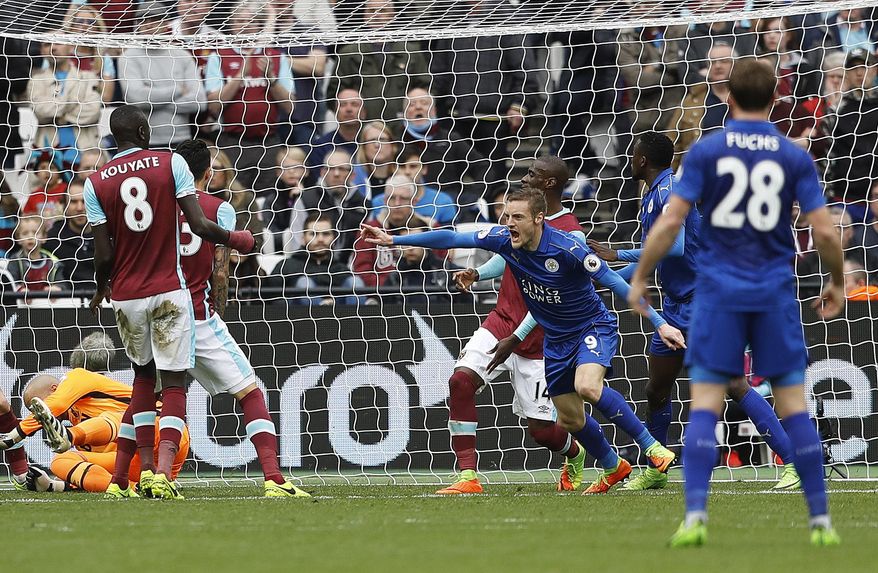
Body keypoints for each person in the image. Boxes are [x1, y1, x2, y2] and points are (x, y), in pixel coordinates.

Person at [627, 58, 844, 547]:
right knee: (792, 402)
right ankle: (820, 522)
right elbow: (826, 230)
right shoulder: (793, 155)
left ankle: (696, 516)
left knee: (706, 402)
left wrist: (639, 276)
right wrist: (834, 279)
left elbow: (670, 226)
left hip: (719, 292)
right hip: (772, 290)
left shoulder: (706, 151)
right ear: (774, 100)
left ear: (728, 99)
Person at [363, 188, 685, 495]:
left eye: (517, 217)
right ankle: (614, 466)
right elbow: (450, 236)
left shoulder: (568, 248)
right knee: (569, 419)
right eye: (506, 216)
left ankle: (653, 448)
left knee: (588, 386)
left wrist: (660, 324)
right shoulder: (505, 241)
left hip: (590, 326)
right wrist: (394, 238)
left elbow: (616, 282)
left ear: (538, 219)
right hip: (554, 338)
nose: (508, 224)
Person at [588, 132, 801, 491]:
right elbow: (652, 258)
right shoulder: (653, 194)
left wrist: (616, 255)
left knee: (732, 384)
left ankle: (794, 461)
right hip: (674, 305)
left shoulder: (671, 190)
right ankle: (657, 467)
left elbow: (673, 247)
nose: (630, 159)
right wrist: (603, 277)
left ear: (642, 160)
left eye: (634, 153)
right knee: (657, 388)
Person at [83, 105, 255, 499]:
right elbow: (198, 225)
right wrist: (240, 240)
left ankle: (137, 474)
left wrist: (100, 287)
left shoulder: (95, 182)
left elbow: (103, 253)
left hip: (124, 296)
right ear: (144, 131)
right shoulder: (170, 163)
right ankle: (162, 473)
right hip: (168, 291)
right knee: (173, 383)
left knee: (143, 378)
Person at [431, 157, 592, 495]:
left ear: (549, 184)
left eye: (534, 173)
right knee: (460, 381)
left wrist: (517, 336)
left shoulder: (570, 232)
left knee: (542, 431)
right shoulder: (519, 216)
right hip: (501, 319)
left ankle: (575, 454)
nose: (526, 176)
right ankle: (467, 477)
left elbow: (554, 294)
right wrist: (477, 274)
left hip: (541, 338)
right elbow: (505, 253)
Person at [173, 139, 308, 497]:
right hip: (199, 315)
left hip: (158, 313)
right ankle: (274, 479)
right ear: (208, 173)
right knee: (250, 391)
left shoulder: (157, 207)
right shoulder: (219, 208)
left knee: (154, 394)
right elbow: (220, 269)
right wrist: (218, 308)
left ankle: (139, 478)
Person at [0, 333, 190, 494]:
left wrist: (12, 437)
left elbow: (55, 404)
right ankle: (134, 488)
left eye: (37, 406)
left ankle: (70, 437)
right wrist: (52, 486)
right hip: (137, 464)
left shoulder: (77, 377)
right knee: (60, 461)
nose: (38, 416)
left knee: (119, 419)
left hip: (162, 432)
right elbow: (92, 478)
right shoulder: (80, 427)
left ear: (55, 387)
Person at [205, 0, 294, 193]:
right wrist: (239, 77)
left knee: (269, 197)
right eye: (239, 21)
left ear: (259, 26)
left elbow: (290, 106)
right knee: (235, 197)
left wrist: (270, 79)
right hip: (232, 142)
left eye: (251, 22)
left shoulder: (275, 56)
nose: (245, 26)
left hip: (268, 142)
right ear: (231, 25)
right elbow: (213, 106)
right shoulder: (219, 56)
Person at [118, 2, 206, 148]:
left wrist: (152, 97)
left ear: (166, 23)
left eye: (154, 20)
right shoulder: (128, 57)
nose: (148, 25)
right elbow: (136, 98)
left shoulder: (182, 55)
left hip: (182, 140)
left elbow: (200, 101)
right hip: (145, 141)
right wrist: (178, 90)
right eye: (143, 20)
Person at [270, 212, 357, 305]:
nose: (320, 239)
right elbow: (268, 299)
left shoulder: (342, 270)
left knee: (355, 282)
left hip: (342, 317)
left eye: (326, 234)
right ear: (303, 238)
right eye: (314, 234)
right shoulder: (285, 266)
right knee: (304, 284)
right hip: (298, 317)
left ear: (334, 239)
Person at [371, 147, 457, 225]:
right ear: (393, 168)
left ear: (424, 169)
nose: (407, 172)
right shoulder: (378, 203)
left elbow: (449, 240)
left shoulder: (443, 202)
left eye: (413, 166)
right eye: (402, 166)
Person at [45, 177, 95, 295]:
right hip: (65, 302)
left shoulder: (108, 235)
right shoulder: (53, 238)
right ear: (65, 206)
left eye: (84, 201)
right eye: (73, 202)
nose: (79, 208)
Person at [7, 216, 67, 295]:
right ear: (18, 238)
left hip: (47, 303)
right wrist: (20, 290)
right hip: (22, 305)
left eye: (35, 233)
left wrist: (57, 288)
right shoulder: (15, 261)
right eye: (25, 233)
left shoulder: (53, 262)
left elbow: (63, 284)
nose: (30, 237)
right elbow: (11, 283)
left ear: (44, 237)